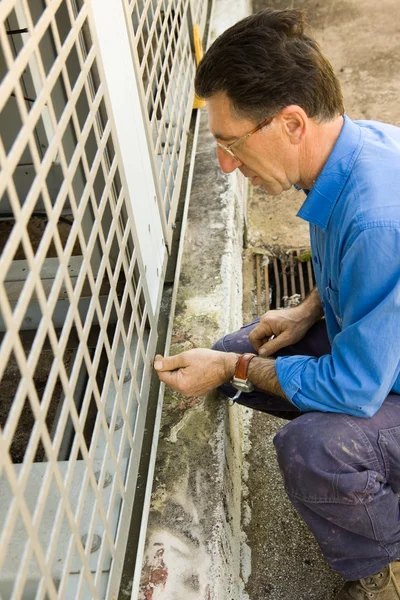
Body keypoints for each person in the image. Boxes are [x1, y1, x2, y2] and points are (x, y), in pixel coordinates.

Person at [154, 8, 400, 599]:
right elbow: (366, 272)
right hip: (382, 354)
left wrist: (234, 369)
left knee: (313, 447)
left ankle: (386, 554)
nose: (226, 165)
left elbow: (354, 388)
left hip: (375, 376)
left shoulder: (376, 217)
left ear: (291, 122)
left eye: (231, 143)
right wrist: (307, 310)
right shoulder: (355, 149)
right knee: (236, 352)